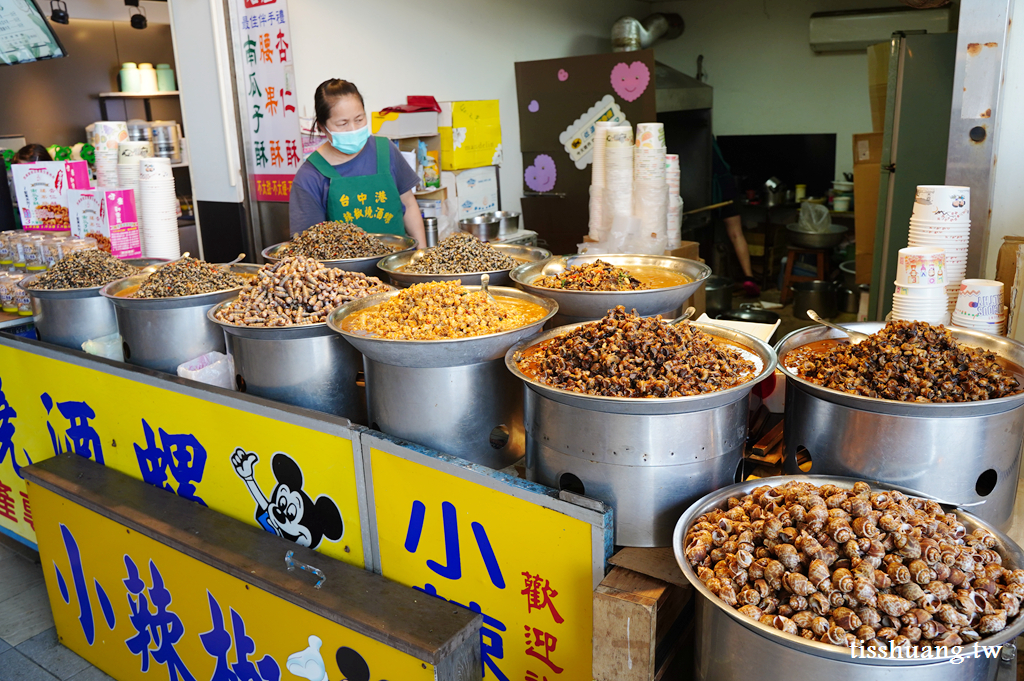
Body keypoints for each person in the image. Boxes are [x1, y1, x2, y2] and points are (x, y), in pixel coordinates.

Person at [288, 79, 425, 246]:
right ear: (322, 127)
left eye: (359, 119)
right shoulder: (310, 176)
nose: (353, 129)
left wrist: (420, 254)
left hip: (397, 265)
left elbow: (409, 206)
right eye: (343, 123)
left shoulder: (385, 150)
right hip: (342, 271)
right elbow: (308, 243)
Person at [711, 139, 760, 297]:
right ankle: (749, 277)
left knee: (710, 234)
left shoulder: (697, 142)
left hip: (710, 190)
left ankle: (712, 282)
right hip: (726, 188)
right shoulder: (708, 139)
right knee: (736, 234)